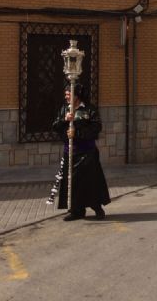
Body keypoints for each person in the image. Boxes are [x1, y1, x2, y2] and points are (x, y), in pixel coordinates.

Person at [52, 84, 110, 221]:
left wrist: (77, 132)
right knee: (72, 182)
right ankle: (76, 210)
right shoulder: (64, 109)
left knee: (91, 181)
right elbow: (55, 126)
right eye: (66, 94)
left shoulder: (89, 110)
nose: (66, 96)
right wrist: (63, 120)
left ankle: (97, 208)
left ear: (76, 95)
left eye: (68, 94)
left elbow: (96, 128)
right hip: (70, 152)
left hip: (87, 152)